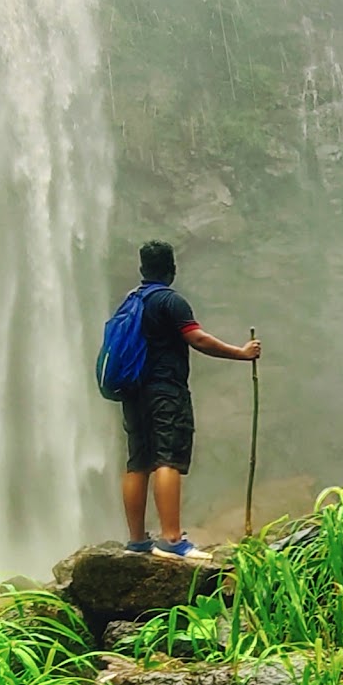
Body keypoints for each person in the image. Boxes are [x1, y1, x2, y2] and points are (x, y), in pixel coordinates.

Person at [120, 240, 260, 561]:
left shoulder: (131, 302)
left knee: (138, 461)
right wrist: (241, 353)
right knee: (167, 458)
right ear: (171, 269)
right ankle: (171, 538)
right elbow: (197, 338)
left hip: (133, 393)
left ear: (142, 269)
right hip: (165, 391)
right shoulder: (170, 301)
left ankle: (137, 539)